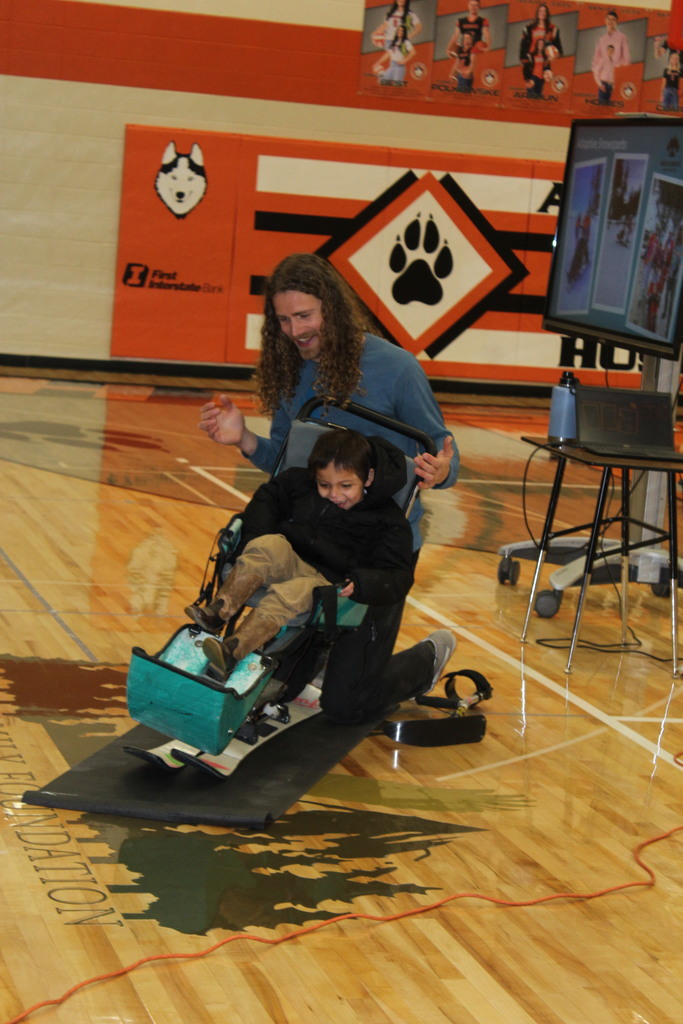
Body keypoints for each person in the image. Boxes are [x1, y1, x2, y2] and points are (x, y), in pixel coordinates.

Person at [197, 251, 459, 722]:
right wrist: (243, 439)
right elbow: (285, 467)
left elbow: (443, 455)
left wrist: (440, 472)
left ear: (332, 310)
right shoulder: (291, 368)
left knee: (346, 704)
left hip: (375, 554)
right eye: (282, 320)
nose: (295, 331)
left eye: (304, 316)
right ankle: (318, 655)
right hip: (312, 545)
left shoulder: (396, 369)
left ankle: (426, 659)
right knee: (280, 678)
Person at [188, 428, 455, 721]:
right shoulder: (295, 484)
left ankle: (232, 651)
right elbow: (267, 500)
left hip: (327, 582)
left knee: (294, 594)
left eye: (345, 486)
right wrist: (252, 537)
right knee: (266, 544)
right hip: (289, 559)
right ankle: (218, 611)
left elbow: (397, 574)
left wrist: (364, 583)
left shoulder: (387, 521)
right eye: (324, 484)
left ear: (368, 478)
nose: (334, 494)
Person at [591, 10, 630, 103]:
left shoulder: (622, 38)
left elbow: (627, 59)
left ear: (616, 22)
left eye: (613, 19)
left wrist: (615, 67)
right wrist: (598, 79)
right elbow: (596, 59)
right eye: (608, 19)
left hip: (617, 80)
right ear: (605, 20)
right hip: (603, 80)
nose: (610, 21)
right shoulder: (602, 39)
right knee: (601, 107)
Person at [519, 3, 562, 84]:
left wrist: (553, 54)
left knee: (541, 89)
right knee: (529, 87)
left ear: (547, 14)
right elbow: (523, 45)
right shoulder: (529, 27)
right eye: (540, 11)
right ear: (537, 13)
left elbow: (559, 49)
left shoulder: (552, 29)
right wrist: (523, 59)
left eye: (544, 11)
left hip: (545, 64)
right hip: (531, 61)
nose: (542, 13)